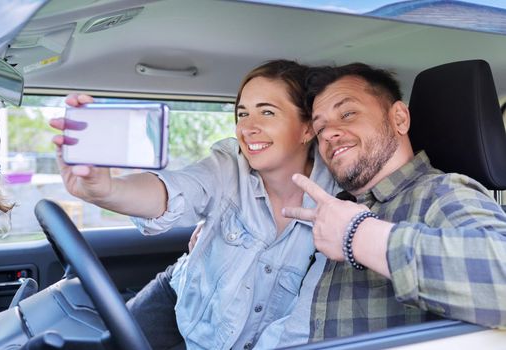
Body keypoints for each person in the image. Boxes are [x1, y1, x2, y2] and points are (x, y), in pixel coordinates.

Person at [50, 60, 339, 349]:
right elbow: (175, 190)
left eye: (267, 112)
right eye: (242, 113)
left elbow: (298, 327)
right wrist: (106, 190)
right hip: (178, 301)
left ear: (306, 129)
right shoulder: (228, 164)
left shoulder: (337, 202)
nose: (248, 128)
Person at [253, 63, 506, 348]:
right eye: (320, 126)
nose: (327, 134)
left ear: (399, 118)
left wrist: (358, 235)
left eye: (347, 113)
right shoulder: (338, 208)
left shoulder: (439, 193)